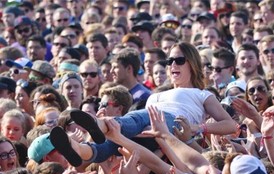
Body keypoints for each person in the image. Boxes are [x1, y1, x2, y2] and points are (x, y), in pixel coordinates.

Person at [50, 42, 236, 165]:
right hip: (147, 135)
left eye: (179, 60)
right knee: (115, 141)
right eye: (169, 61)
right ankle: (78, 149)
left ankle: (98, 124)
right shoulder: (156, 95)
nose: (173, 65)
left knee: (134, 119)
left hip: (172, 126)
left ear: (193, 64)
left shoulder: (201, 94)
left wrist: (199, 128)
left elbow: (230, 124)